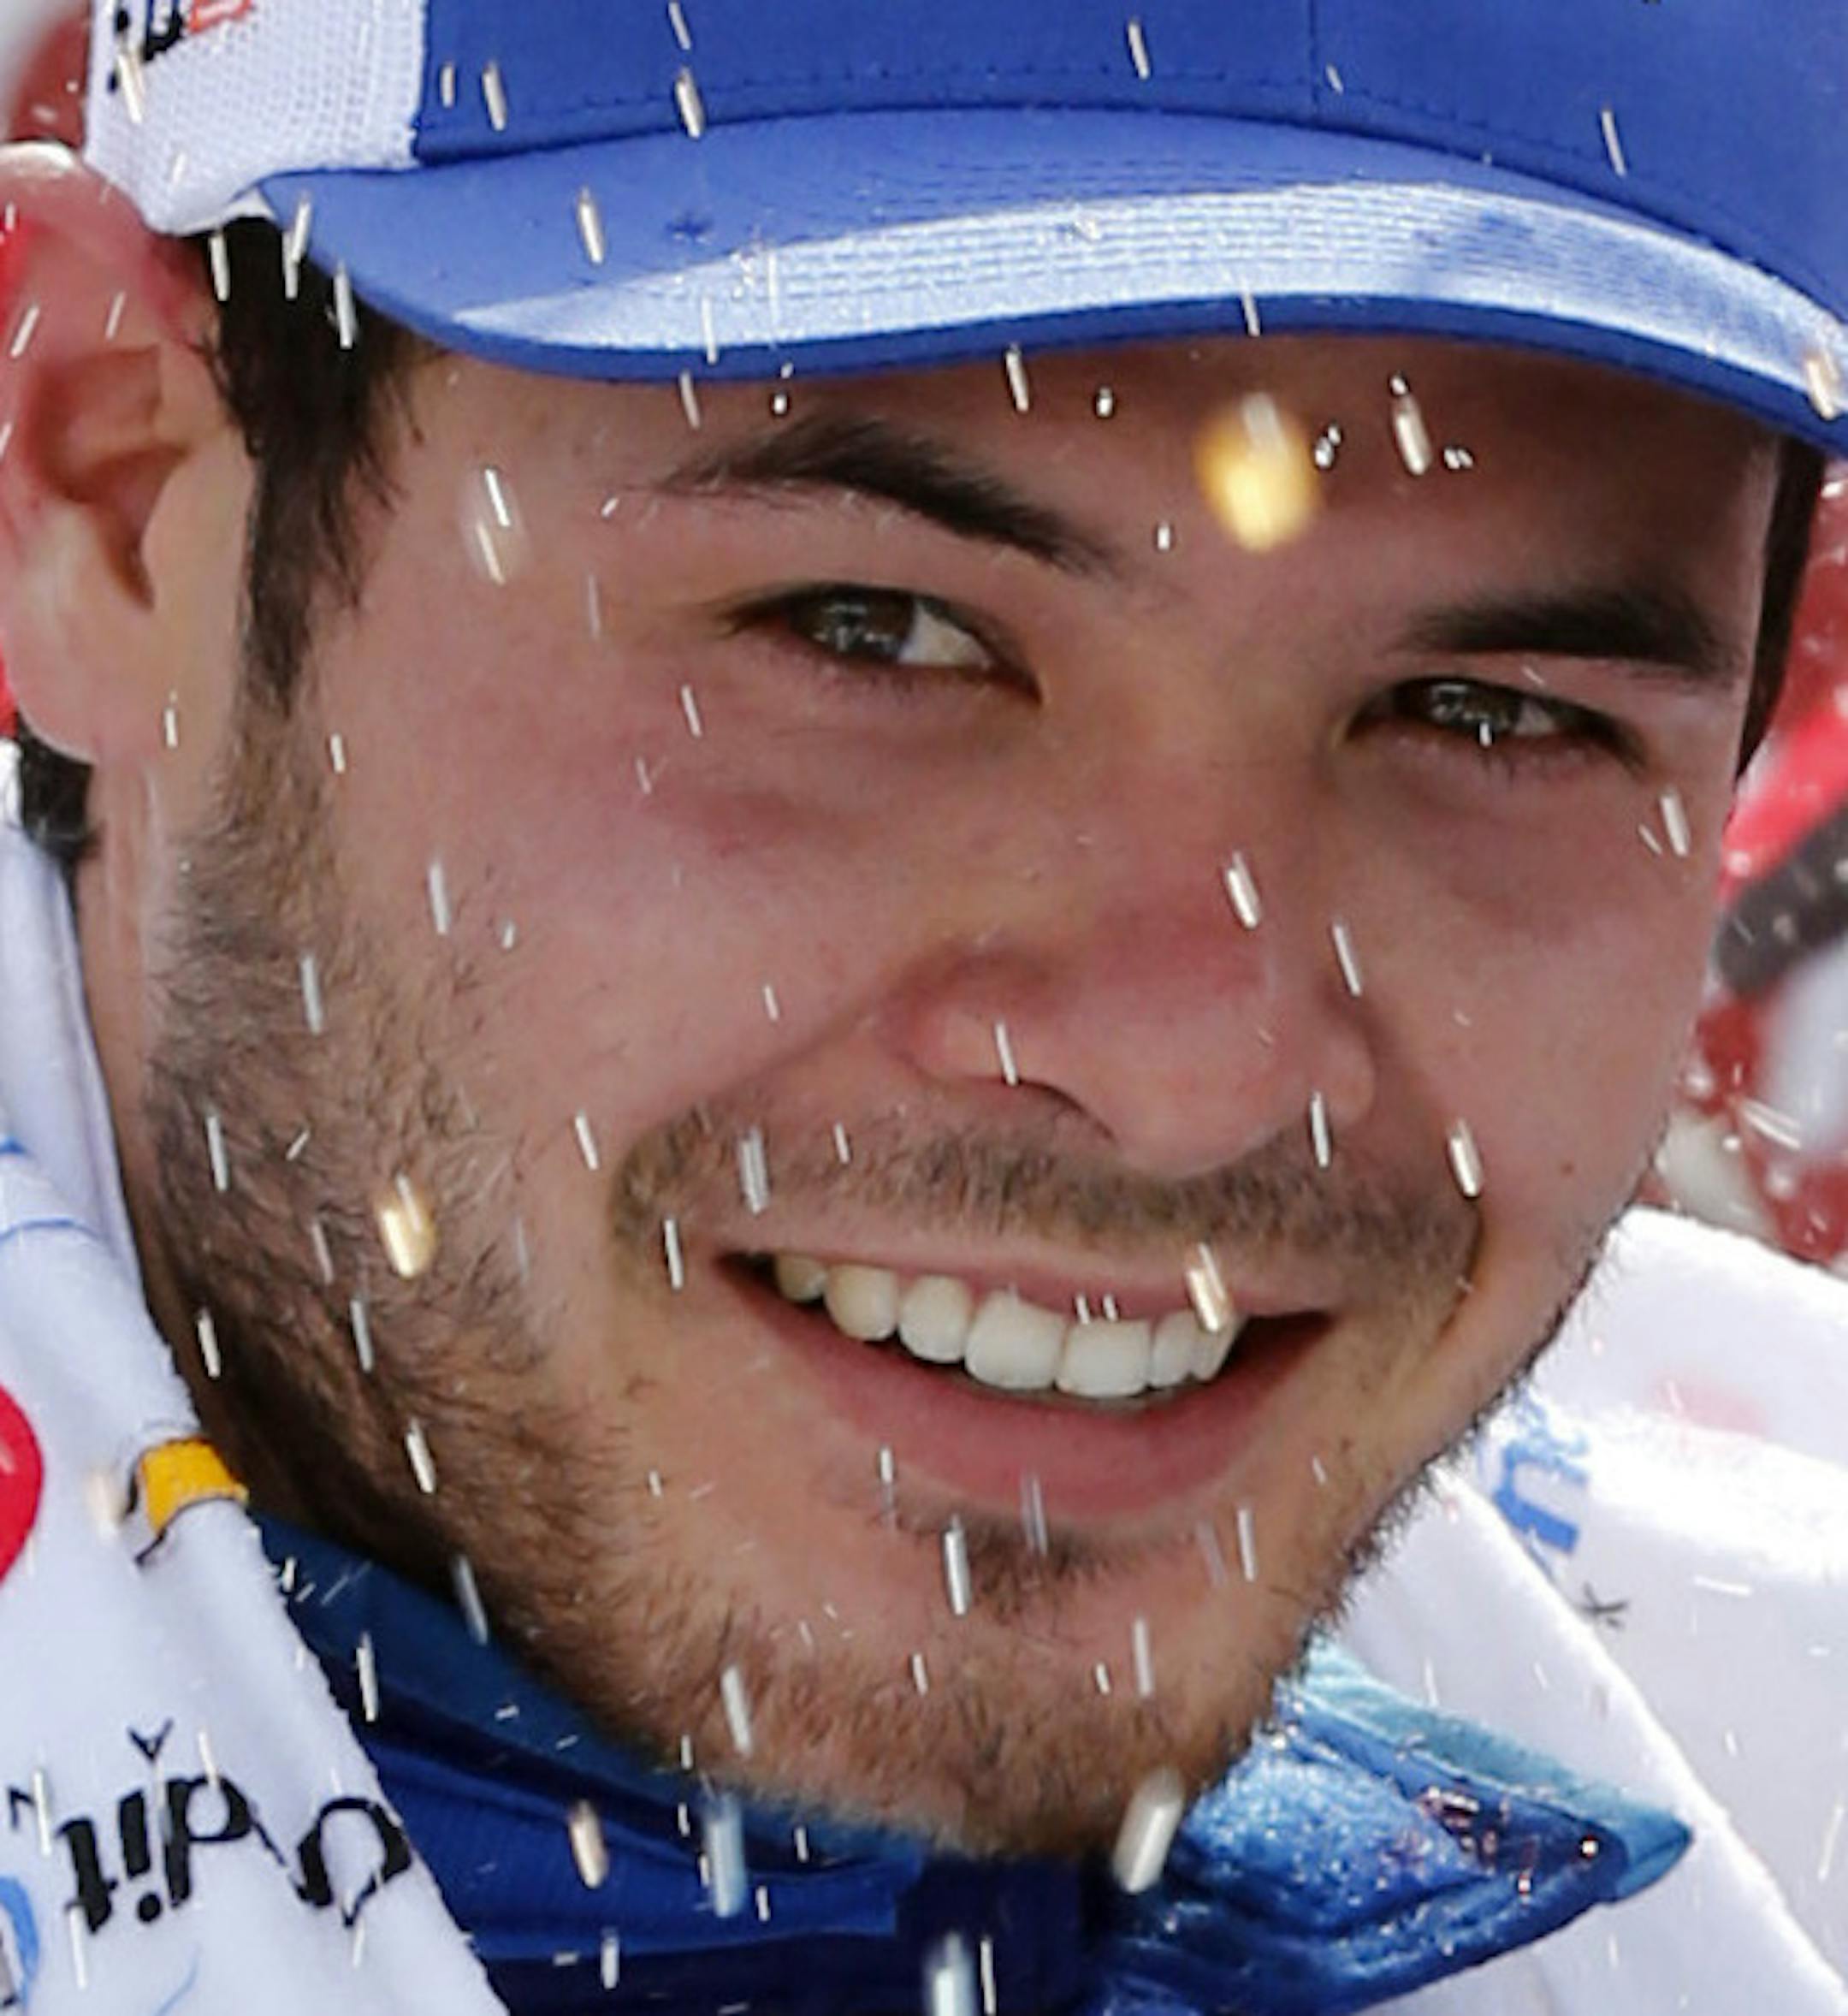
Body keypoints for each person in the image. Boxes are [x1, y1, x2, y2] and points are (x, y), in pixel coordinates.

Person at [0, 2, 1842, 2011]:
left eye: (1489, 715)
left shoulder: (1785, 1687)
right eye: (870, 629)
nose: (1193, 1074)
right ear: (107, 500)